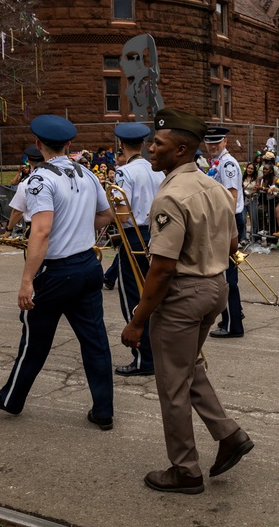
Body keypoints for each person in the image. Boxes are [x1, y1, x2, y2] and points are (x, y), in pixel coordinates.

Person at [120, 108, 253, 494]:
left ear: (180, 150)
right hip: (216, 288)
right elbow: (231, 245)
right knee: (189, 368)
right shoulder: (215, 188)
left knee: (173, 386)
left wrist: (138, 320)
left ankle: (185, 470)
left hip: (183, 295)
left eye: (157, 144)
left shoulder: (171, 195)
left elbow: (161, 269)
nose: (150, 149)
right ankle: (229, 435)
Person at [0, 115, 115, 429]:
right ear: (69, 145)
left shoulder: (40, 179)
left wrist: (26, 280)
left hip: (56, 272)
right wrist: (80, 229)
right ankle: (103, 410)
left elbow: (40, 232)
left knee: (35, 341)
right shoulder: (88, 174)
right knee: (95, 342)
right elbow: (107, 214)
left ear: (38, 145)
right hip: (88, 266)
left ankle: (11, 398)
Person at [108, 122, 164, 375]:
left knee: (133, 298)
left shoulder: (124, 172)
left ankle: (144, 358)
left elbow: (120, 214)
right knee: (154, 295)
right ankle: (159, 353)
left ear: (121, 145)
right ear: (143, 144)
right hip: (157, 232)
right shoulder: (157, 169)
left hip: (134, 235)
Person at [204, 127, 247, 339]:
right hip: (225, 220)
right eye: (209, 142)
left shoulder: (227, 163)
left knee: (227, 276)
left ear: (225, 141)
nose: (212, 146)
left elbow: (231, 197)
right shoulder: (217, 162)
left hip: (228, 220)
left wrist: (226, 227)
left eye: (216, 142)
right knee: (226, 273)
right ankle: (233, 315)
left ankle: (233, 325)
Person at [7, 145, 43, 235]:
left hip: (34, 228)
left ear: (28, 160)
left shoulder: (26, 183)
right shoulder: (57, 178)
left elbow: (17, 211)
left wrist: (9, 229)